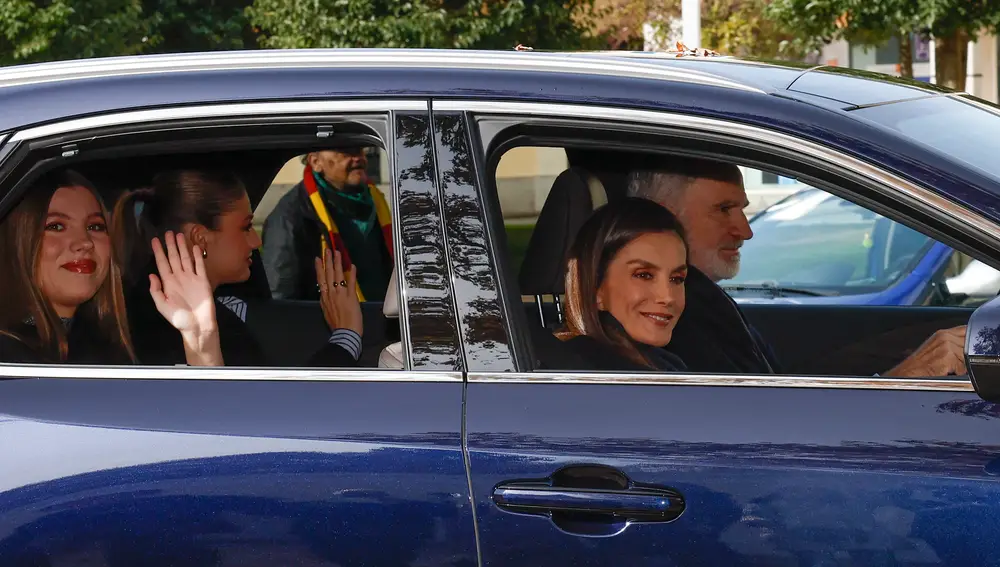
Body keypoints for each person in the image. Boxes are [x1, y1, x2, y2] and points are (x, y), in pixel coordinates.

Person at [627, 158, 968, 377]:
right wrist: (903, 378)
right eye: (723, 209)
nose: (745, 230)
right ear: (662, 215)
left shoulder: (702, 301)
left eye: (742, 210)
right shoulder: (668, 320)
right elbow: (762, 430)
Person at [114, 169, 362, 367]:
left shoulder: (149, 308)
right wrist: (346, 337)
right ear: (201, 238)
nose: (256, 241)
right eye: (246, 227)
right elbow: (276, 406)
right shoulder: (185, 323)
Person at [0, 170, 219, 365]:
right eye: (56, 226)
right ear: (18, 241)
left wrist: (201, 343)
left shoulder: (115, 346)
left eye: (95, 226)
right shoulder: (8, 357)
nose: (85, 242)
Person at [550, 198, 689, 371]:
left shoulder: (661, 362)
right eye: (644, 275)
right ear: (596, 288)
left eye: (677, 279)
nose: (667, 297)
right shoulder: (587, 370)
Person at [262, 148, 393, 301]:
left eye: (359, 150)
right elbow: (282, 296)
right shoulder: (288, 216)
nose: (357, 158)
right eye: (345, 152)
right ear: (316, 162)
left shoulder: (374, 200)